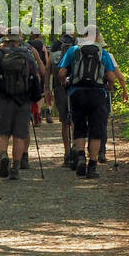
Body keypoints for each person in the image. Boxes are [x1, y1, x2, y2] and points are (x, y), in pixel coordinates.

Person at [58, 31, 128, 179]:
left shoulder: (73, 51)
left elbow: (62, 72)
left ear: (83, 36)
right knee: (96, 130)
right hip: (98, 94)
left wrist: (65, 83)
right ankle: (92, 165)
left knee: (79, 127)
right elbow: (111, 77)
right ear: (97, 38)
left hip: (77, 93)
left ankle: (81, 157)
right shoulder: (104, 53)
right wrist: (110, 86)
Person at [0, 31, 43, 180]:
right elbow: (36, 77)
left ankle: (3, 156)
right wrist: (37, 99)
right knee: (19, 135)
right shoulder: (28, 56)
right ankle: (15, 167)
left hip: (3, 99)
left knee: (3, 132)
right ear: (20, 41)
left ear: (5, 40)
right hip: (23, 101)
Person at [48, 29, 77, 165]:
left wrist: (46, 89)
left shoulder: (54, 54)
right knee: (76, 120)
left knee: (65, 122)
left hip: (60, 89)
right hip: (77, 88)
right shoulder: (79, 51)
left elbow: (48, 72)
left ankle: (67, 152)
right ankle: (77, 149)